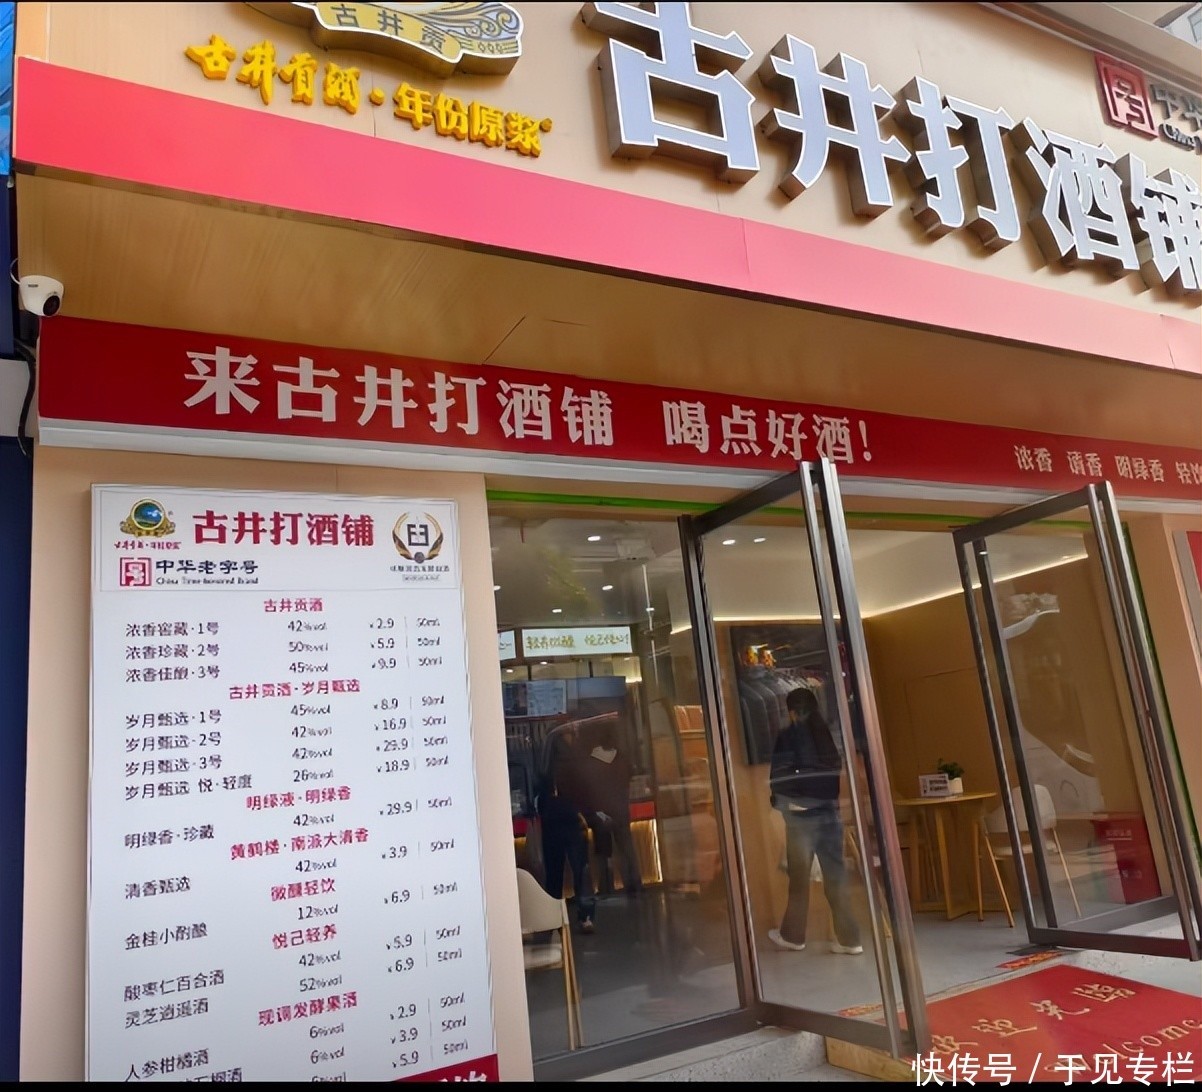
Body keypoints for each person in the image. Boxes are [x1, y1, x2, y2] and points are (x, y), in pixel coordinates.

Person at [767, 686, 863, 955]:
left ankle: (793, 936)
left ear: (792, 711)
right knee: (836, 877)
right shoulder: (825, 735)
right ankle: (850, 939)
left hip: (800, 816)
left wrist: (780, 804)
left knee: (799, 880)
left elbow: (779, 777)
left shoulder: (788, 736)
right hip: (829, 812)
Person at [536, 725, 598, 933]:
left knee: (554, 874)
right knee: (582, 872)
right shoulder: (576, 763)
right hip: (574, 823)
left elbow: (539, 797)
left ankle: (553, 917)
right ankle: (586, 916)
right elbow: (586, 792)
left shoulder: (545, 766)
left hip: (552, 825)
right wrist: (586, 814)